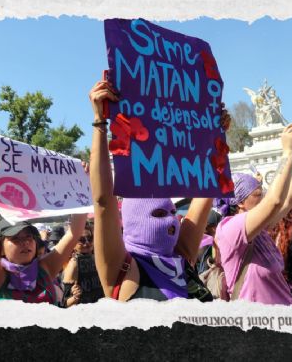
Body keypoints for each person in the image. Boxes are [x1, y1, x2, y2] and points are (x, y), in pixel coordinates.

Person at [87, 73, 229, 301]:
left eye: (172, 212)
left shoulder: (181, 257)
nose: (172, 221)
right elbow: (103, 201)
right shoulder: (122, 268)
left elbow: (207, 185)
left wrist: (215, 134)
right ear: (133, 221)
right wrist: (99, 122)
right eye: (159, 213)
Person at [0, 143, 87, 305]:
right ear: (1, 249)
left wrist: (83, 183)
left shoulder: (45, 268)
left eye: (29, 236)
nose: (25, 242)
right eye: (16, 238)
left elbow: (74, 232)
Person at [215, 122, 292, 305]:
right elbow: (274, 201)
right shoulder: (231, 228)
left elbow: (288, 201)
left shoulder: (258, 230)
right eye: (258, 194)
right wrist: (287, 153)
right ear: (239, 202)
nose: (263, 197)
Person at [62, 222, 104, 307]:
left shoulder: (97, 258)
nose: (87, 243)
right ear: (72, 244)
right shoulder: (74, 265)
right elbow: (64, 304)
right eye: (81, 240)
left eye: (90, 238)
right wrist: (75, 297)